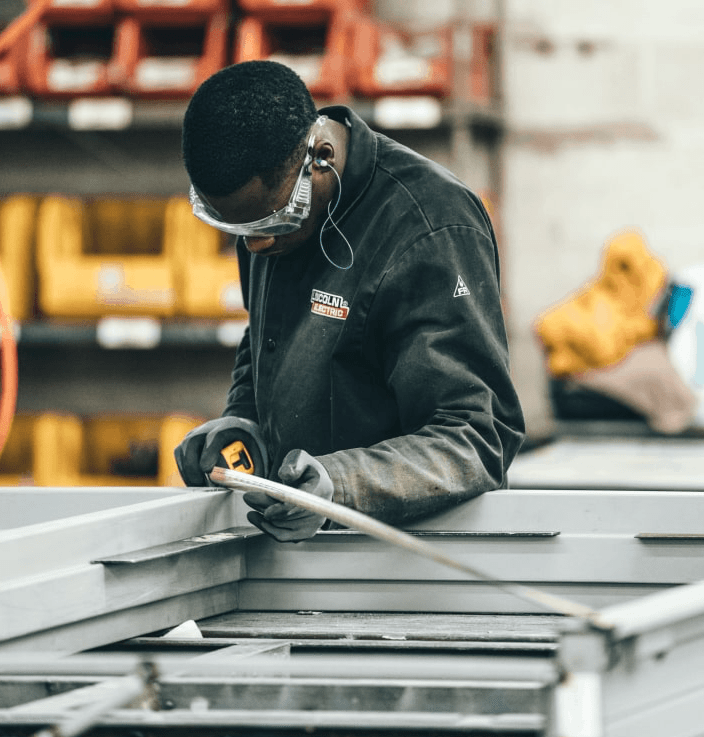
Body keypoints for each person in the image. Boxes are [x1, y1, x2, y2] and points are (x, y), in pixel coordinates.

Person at [175, 60, 525, 542]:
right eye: (242, 232)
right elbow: (267, 336)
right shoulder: (268, 212)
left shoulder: (430, 227)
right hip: (302, 551)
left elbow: (475, 439)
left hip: (408, 564)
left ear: (319, 156)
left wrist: (341, 486)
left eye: (271, 225)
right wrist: (244, 423)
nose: (256, 248)